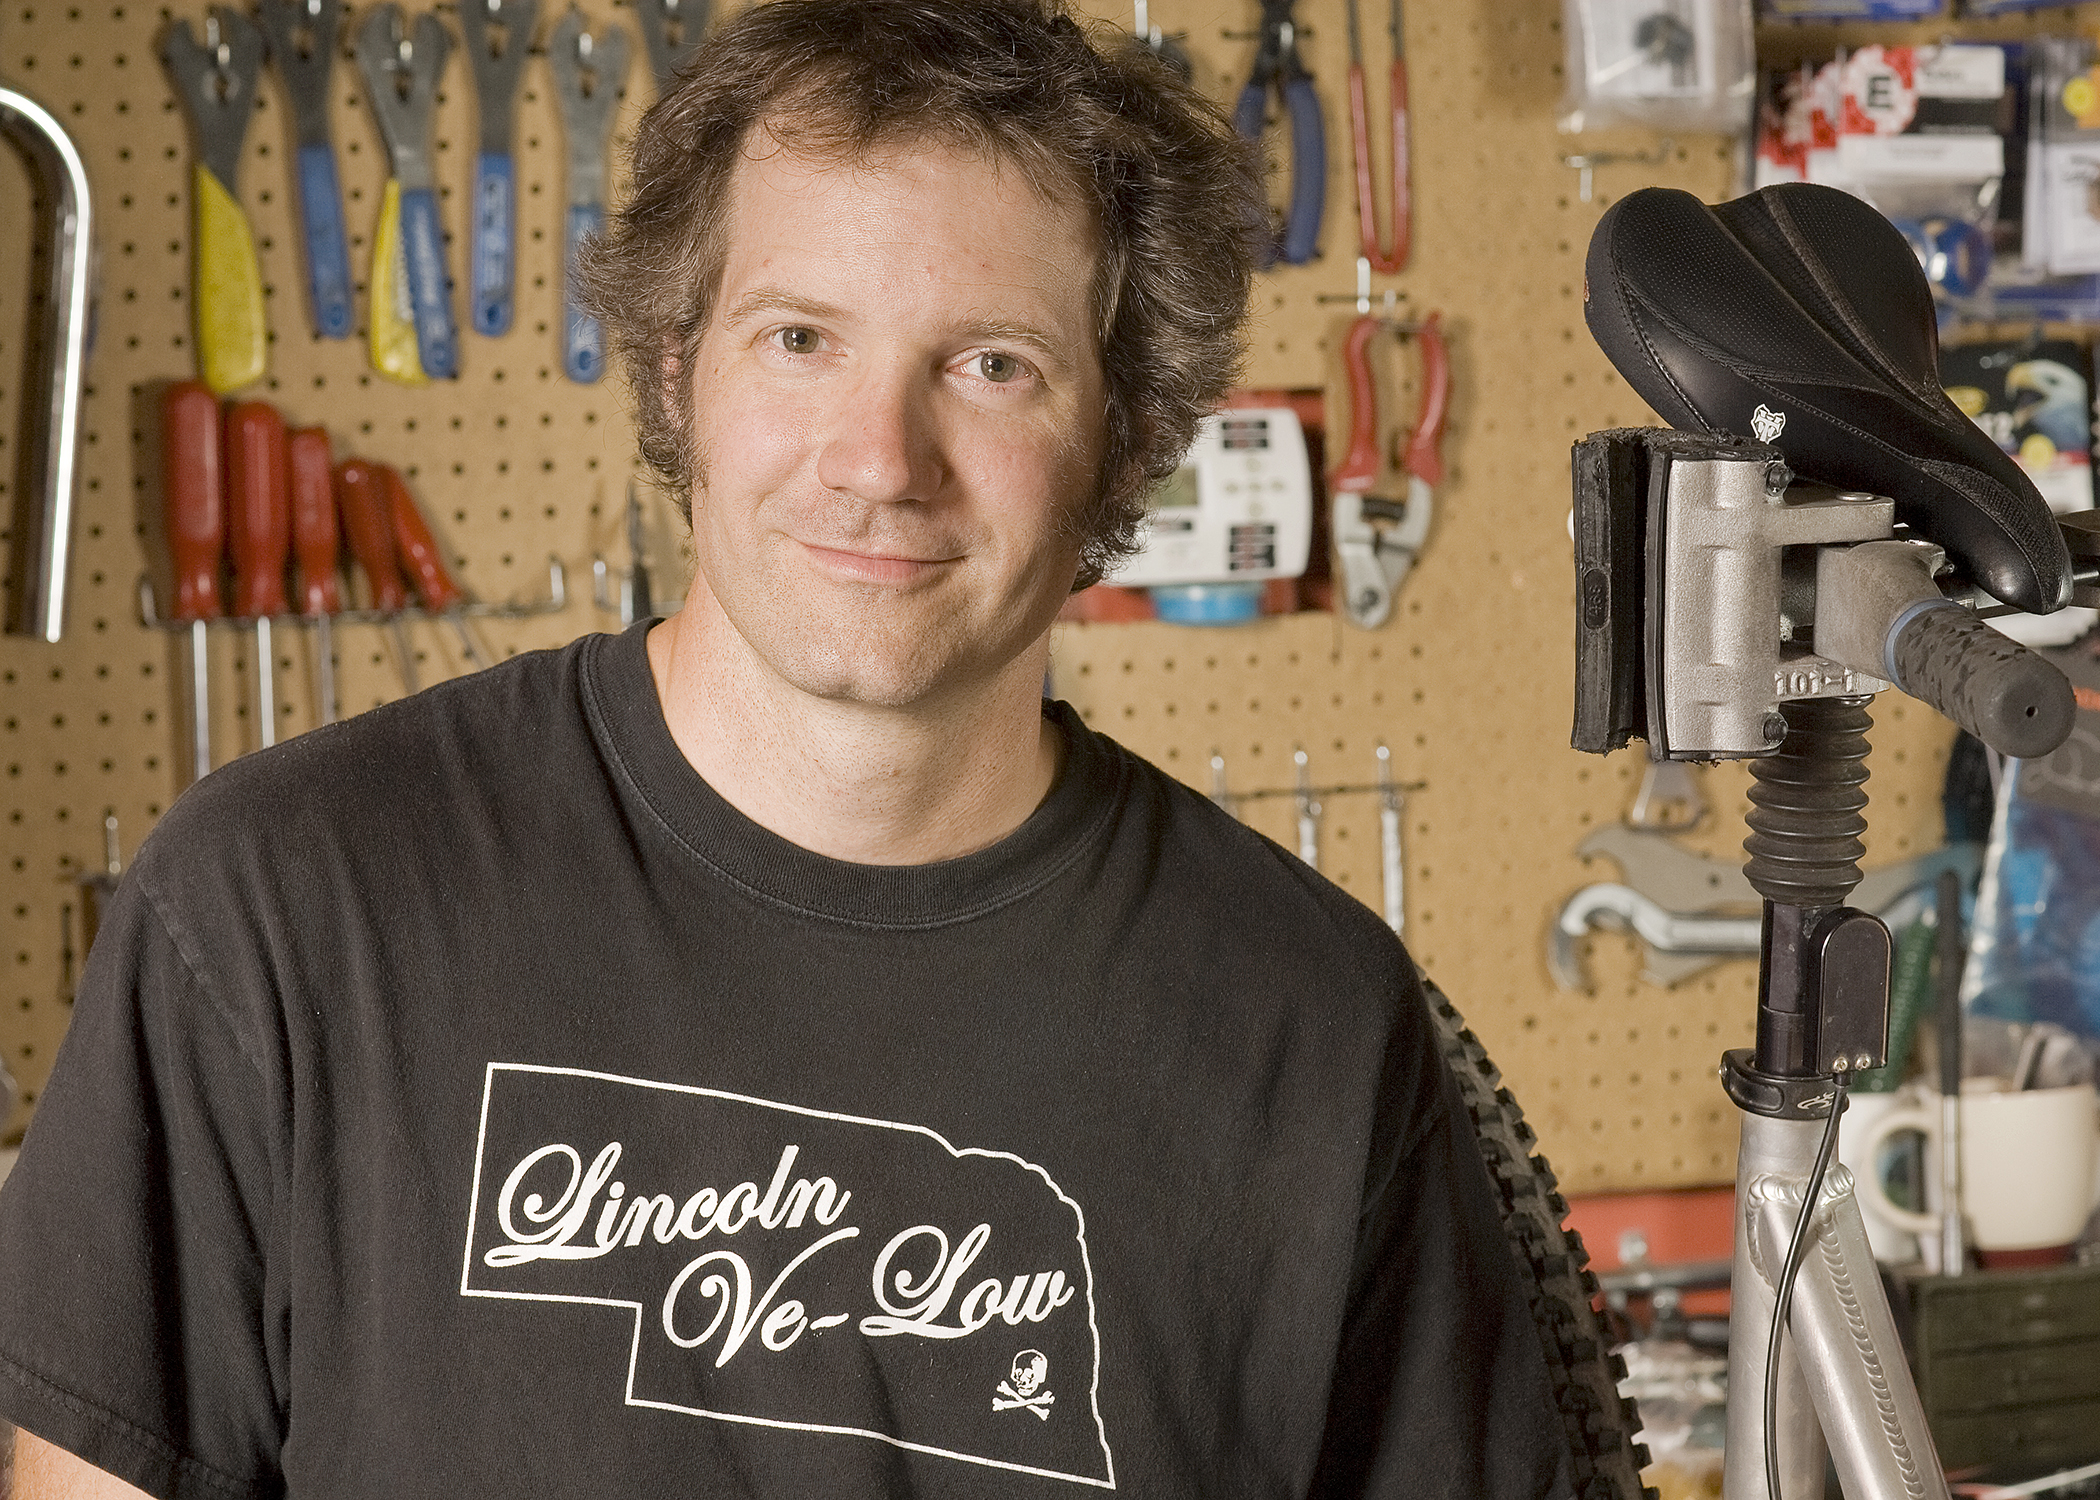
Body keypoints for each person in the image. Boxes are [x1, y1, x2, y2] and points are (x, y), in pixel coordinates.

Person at [0, 1, 1573, 1495]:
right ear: (679, 371)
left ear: (1125, 434)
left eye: (991, 364)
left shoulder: (1313, 1026)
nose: (880, 460)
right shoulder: (279, 911)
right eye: (801, 337)